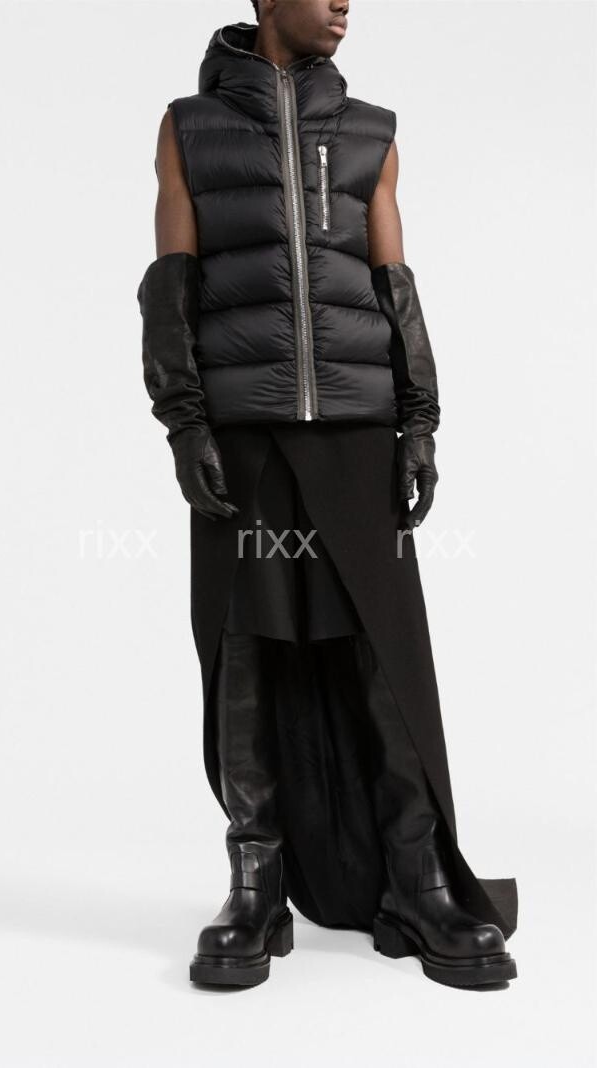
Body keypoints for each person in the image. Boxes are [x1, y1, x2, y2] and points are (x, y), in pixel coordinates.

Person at [136, 1, 518, 990]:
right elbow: (170, 282)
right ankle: (255, 886)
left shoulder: (370, 133)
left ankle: (417, 880)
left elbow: (394, 284)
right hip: (243, 431)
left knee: (382, 652)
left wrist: (419, 419)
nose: (345, 3)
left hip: (356, 428)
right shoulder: (189, 128)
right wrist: (184, 423)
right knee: (243, 647)